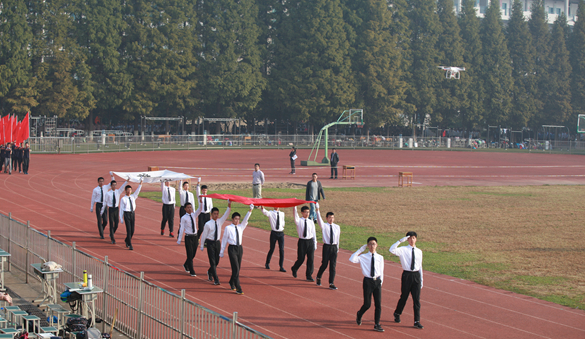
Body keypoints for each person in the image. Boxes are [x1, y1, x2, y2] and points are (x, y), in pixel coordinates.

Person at [350, 237, 385, 332]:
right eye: (370, 244)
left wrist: (380, 281)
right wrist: (360, 250)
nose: (372, 246)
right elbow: (352, 259)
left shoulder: (380, 257)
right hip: (368, 282)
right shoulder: (363, 257)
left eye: (373, 244)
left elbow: (381, 270)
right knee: (367, 304)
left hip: (377, 281)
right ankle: (359, 313)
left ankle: (377, 324)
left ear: (377, 245)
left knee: (378, 304)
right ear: (367, 245)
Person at [390, 231, 424, 329]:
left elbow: (420, 266)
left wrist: (421, 279)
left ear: (416, 239)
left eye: (413, 238)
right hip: (407, 275)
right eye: (410, 238)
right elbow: (392, 249)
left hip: (416, 275)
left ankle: (416, 321)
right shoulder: (403, 249)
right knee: (404, 296)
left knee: (416, 300)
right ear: (407, 239)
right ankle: (397, 313)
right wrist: (400, 241)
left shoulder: (419, 251)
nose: (412, 240)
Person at [220, 204, 254, 295]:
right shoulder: (228, 228)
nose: (237, 221)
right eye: (236, 219)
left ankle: (231, 281)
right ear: (232, 219)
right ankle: (238, 287)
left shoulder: (241, 227)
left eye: (238, 219)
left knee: (237, 268)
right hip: (232, 249)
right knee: (235, 268)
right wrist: (221, 251)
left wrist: (250, 210)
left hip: (239, 248)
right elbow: (224, 239)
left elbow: (246, 220)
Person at [199, 201, 231, 285]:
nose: (216, 215)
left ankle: (210, 271)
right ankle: (216, 279)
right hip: (210, 243)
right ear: (211, 214)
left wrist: (229, 204)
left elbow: (226, 214)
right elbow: (204, 235)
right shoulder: (208, 224)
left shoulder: (219, 222)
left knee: (217, 261)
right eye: (214, 214)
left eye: (217, 214)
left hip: (217, 243)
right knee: (212, 262)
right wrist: (202, 245)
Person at [314, 203, 340, 290]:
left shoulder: (337, 227)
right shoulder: (324, 226)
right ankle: (318, 277)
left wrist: (337, 248)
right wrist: (317, 209)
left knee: (333, 266)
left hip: (334, 247)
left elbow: (338, 238)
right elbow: (319, 219)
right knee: (324, 264)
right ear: (326, 218)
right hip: (327, 247)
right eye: (329, 218)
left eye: (332, 217)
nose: (331, 219)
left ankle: (331, 283)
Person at [290, 205, 317, 281]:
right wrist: (294, 206)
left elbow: (313, 233)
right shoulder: (299, 221)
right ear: (302, 212)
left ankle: (309, 275)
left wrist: (315, 243)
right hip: (302, 242)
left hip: (310, 241)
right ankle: (294, 268)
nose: (307, 214)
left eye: (308, 212)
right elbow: (295, 215)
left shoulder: (311, 222)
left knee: (310, 259)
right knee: (301, 259)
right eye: (305, 212)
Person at [176, 202, 203, 277]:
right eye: (188, 207)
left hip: (195, 236)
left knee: (193, 254)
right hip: (188, 237)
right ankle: (192, 270)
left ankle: (185, 264)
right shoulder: (184, 218)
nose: (189, 209)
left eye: (190, 207)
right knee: (190, 253)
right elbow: (181, 228)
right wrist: (179, 239)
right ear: (185, 209)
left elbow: (200, 209)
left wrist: (200, 201)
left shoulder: (194, 215)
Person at [100, 175, 128, 244]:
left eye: (115, 185)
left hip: (116, 209)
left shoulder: (118, 192)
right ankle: (112, 238)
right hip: (111, 209)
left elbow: (122, 187)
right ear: (111, 186)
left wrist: (127, 181)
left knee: (116, 224)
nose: (114, 186)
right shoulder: (108, 193)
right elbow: (105, 203)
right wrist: (102, 211)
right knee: (111, 224)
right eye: (113, 185)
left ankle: (111, 233)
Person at [119, 179, 143, 250]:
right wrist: (121, 218)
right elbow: (121, 209)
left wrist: (140, 184)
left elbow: (137, 191)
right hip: (127, 214)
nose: (129, 191)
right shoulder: (123, 199)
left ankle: (126, 240)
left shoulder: (133, 197)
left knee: (132, 230)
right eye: (128, 190)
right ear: (125, 191)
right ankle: (129, 244)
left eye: (130, 190)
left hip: (132, 214)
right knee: (128, 230)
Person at [261, 206, 286, 272]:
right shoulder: (271, 213)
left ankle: (281, 266)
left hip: (281, 233)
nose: (277, 206)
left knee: (282, 249)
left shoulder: (282, 213)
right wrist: (262, 206)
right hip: (274, 233)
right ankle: (267, 263)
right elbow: (264, 212)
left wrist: (282, 226)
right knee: (272, 248)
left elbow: (283, 222)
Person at [90, 174, 114, 239]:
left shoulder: (106, 187)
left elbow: (113, 182)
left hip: (104, 205)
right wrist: (91, 207)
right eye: (100, 181)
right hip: (98, 205)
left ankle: (101, 229)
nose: (101, 182)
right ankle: (101, 234)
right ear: (98, 182)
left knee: (105, 220)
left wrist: (112, 176)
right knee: (99, 220)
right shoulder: (95, 189)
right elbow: (93, 198)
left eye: (102, 181)